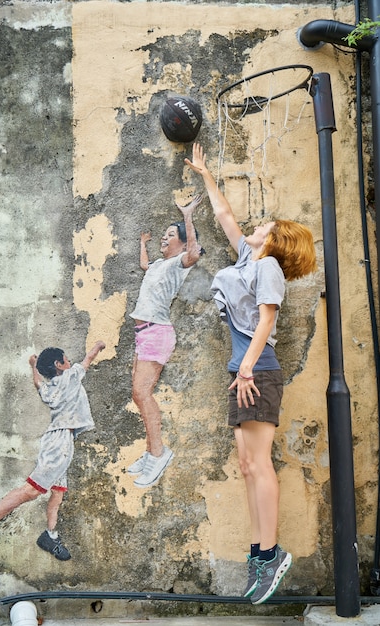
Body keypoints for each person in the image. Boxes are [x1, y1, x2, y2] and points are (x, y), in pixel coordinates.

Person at [185, 143, 317, 605]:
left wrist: (244, 367)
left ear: (276, 239)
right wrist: (204, 173)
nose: (260, 225)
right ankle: (261, 554)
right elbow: (224, 217)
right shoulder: (247, 258)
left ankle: (270, 553)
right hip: (242, 371)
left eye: (268, 226)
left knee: (258, 464)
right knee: (246, 465)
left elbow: (265, 320)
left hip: (256, 371)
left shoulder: (268, 269)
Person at [0, 339, 105, 576]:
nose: (70, 362)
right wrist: (98, 346)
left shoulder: (50, 389)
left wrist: (32, 366)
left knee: (58, 492)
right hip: (59, 443)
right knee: (32, 490)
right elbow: (87, 360)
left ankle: (49, 535)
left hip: (61, 442)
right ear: (60, 365)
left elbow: (38, 383)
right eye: (67, 359)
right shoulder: (70, 377)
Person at [128, 194, 204, 488]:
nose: (165, 237)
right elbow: (145, 266)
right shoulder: (160, 264)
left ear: (182, 243)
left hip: (157, 332)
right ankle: (150, 453)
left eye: (171, 235)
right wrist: (143, 245)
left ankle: (159, 453)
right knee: (139, 394)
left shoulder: (179, 264)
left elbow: (195, 254)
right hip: (143, 333)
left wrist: (187, 216)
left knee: (142, 393)